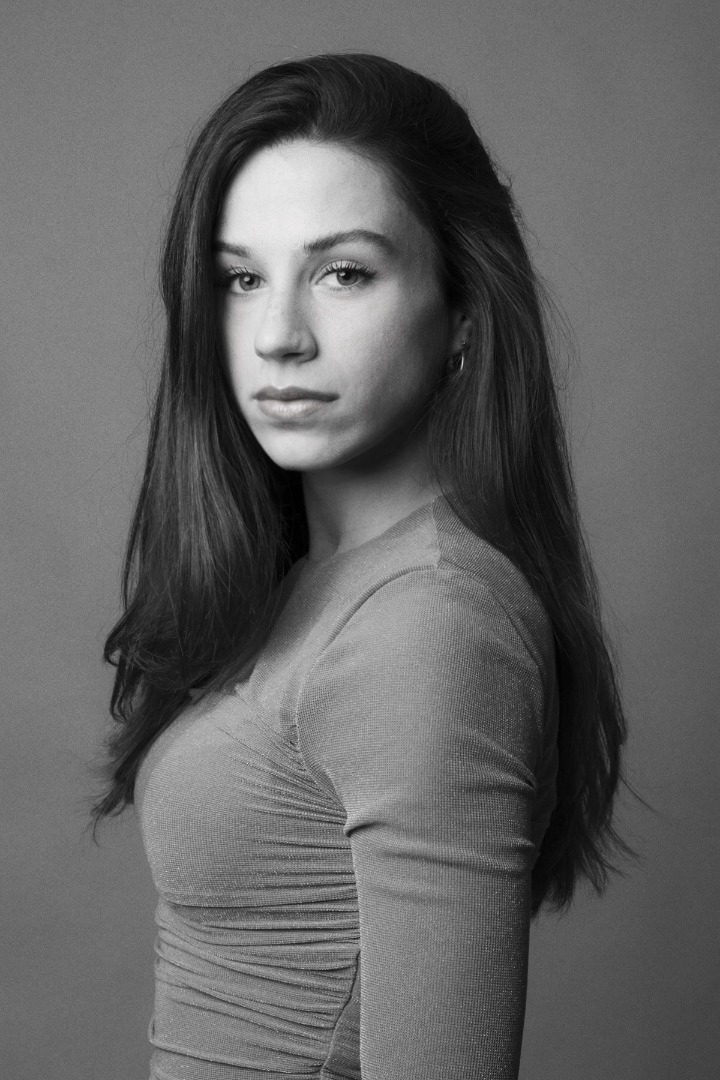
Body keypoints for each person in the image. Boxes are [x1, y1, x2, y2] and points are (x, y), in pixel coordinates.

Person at [94, 53, 628, 1080]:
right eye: (241, 278)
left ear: (463, 312)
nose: (278, 336)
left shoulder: (431, 624)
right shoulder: (313, 586)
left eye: (343, 273)